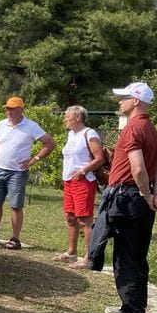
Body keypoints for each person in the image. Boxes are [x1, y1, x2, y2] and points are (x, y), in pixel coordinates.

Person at [90, 82, 157, 313]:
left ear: (136, 100)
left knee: (126, 259)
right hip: (139, 199)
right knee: (137, 257)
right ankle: (134, 310)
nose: (119, 102)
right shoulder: (151, 129)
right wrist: (155, 194)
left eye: (123, 97)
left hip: (128, 199)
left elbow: (138, 168)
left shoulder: (133, 128)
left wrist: (145, 194)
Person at [0, 96, 55, 249]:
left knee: (15, 205)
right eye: (7, 108)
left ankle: (15, 238)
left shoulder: (31, 126)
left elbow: (50, 143)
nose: (9, 112)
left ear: (21, 109)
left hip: (17, 172)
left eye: (13, 109)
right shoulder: (1, 124)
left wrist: (33, 160)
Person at [56, 105, 106, 269]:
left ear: (78, 117)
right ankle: (72, 252)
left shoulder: (89, 133)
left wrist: (83, 171)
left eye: (67, 117)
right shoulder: (71, 134)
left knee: (84, 219)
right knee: (70, 217)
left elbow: (100, 158)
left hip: (83, 181)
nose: (65, 119)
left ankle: (88, 257)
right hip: (69, 181)